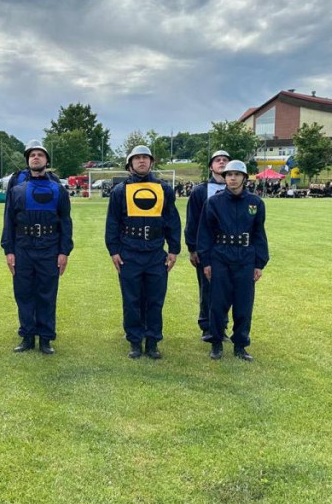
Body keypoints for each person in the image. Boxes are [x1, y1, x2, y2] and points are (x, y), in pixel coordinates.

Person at [105, 145, 181, 359]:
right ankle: (135, 341)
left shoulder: (164, 189)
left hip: (156, 252)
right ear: (130, 164)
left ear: (151, 162)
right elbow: (113, 222)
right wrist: (114, 250)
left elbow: (172, 220)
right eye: (137, 158)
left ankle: (153, 340)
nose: (141, 161)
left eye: (145, 158)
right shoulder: (120, 190)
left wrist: (173, 249)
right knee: (132, 299)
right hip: (129, 252)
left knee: (155, 299)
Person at [1, 140, 73, 355]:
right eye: (32, 154)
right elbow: (9, 222)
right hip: (23, 248)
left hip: (49, 248)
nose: (36, 157)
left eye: (40, 154)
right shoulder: (17, 190)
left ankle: (45, 338)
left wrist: (64, 251)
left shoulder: (58, 190)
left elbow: (66, 222)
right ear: (27, 160)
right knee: (23, 293)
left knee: (47, 293)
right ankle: (27, 335)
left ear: (46, 160)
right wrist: (9, 250)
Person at [196, 160, 269, 362]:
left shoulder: (255, 203)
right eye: (229, 175)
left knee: (244, 304)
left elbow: (259, 234)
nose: (233, 178)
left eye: (237, 174)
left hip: (245, 257)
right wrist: (207, 262)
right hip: (221, 256)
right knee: (218, 303)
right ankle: (216, 342)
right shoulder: (213, 202)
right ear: (224, 177)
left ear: (245, 178)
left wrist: (259, 263)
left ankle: (240, 345)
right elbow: (205, 234)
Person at [185, 149, 229, 344]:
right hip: (207, 249)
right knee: (207, 288)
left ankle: (222, 326)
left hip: (229, 249)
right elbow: (192, 221)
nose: (222, 163)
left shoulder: (237, 189)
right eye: (218, 160)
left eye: (225, 160)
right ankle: (207, 326)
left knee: (227, 289)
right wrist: (192, 249)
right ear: (211, 166)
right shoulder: (200, 191)